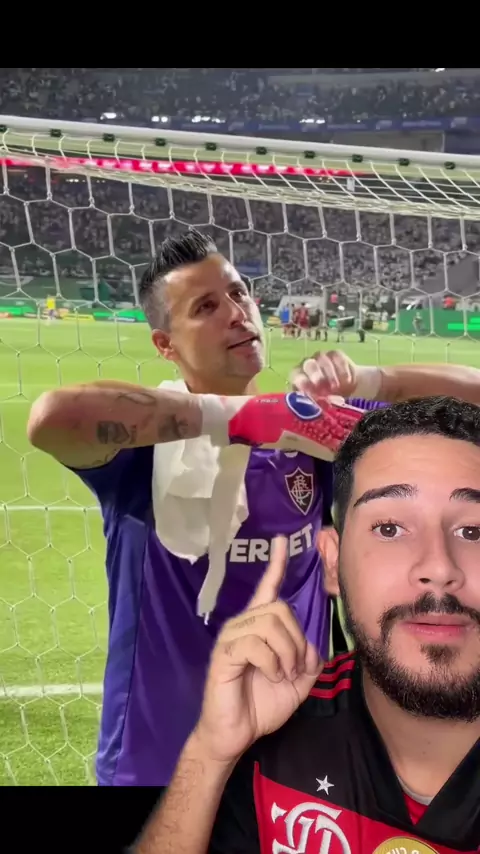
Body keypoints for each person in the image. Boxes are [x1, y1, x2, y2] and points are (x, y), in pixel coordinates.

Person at [25, 228, 480, 815]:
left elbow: (468, 408)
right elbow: (53, 419)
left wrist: (369, 381)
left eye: (239, 294)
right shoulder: (143, 455)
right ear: (166, 344)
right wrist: (240, 419)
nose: (237, 313)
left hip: (298, 757)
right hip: (160, 757)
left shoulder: (311, 432)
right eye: (206, 307)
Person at [136, 396, 480, 854]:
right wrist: (211, 751)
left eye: (473, 531)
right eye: (390, 529)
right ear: (332, 563)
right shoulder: (269, 739)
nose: (438, 568)